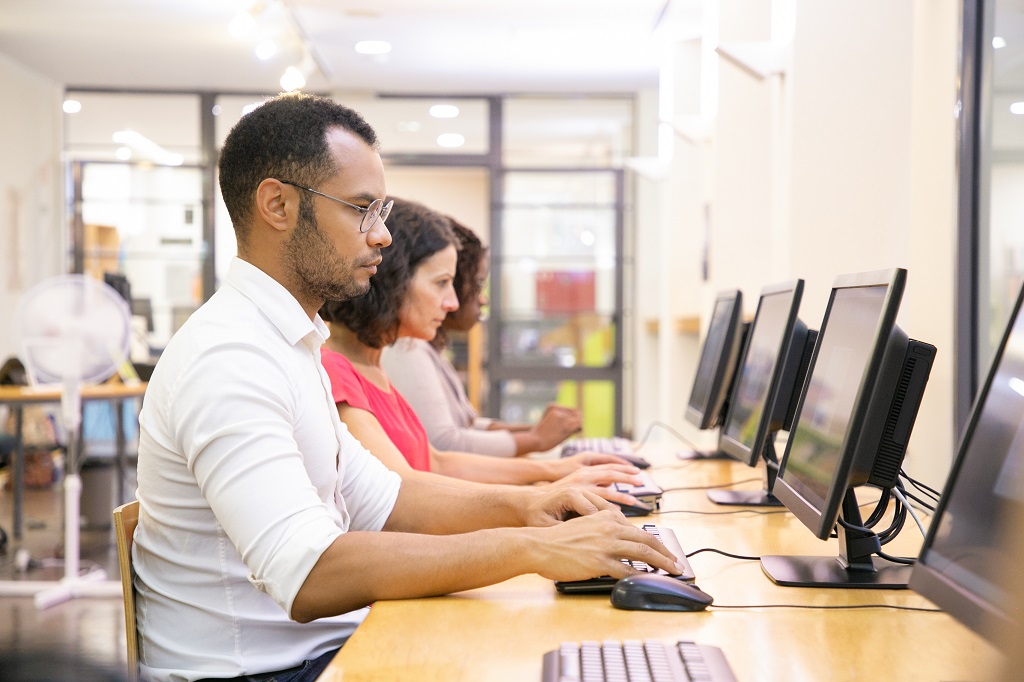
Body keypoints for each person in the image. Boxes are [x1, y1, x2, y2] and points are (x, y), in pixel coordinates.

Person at [132, 93, 683, 682]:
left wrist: (534, 508)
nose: (382, 237)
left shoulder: (288, 343)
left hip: (317, 652)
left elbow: (389, 501)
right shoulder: (230, 357)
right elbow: (309, 572)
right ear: (277, 205)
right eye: (362, 209)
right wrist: (532, 549)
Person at [318, 197, 643, 506]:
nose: (454, 302)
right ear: (395, 280)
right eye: (442, 282)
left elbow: (438, 463)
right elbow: (405, 496)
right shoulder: (339, 371)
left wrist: (557, 471)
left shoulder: (373, 367)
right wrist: (541, 497)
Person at [382, 219, 581, 457]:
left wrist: (538, 431)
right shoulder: (405, 348)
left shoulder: (424, 348)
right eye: (477, 285)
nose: (482, 299)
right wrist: (535, 440)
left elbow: (465, 425)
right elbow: (443, 444)